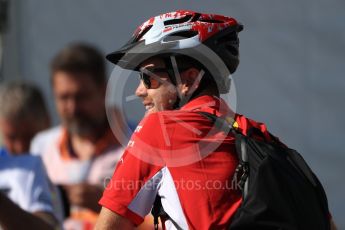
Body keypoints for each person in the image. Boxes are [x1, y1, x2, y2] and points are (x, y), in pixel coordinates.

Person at [30, 43, 123, 229]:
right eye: (64, 98)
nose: (72, 109)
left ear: (104, 91)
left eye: (82, 97)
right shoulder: (42, 146)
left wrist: (108, 205)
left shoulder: (137, 144)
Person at [0, 82, 60, 229]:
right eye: (12, 137)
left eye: (29, 136)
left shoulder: (62, 162)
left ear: (47, 122)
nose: (21, 147)